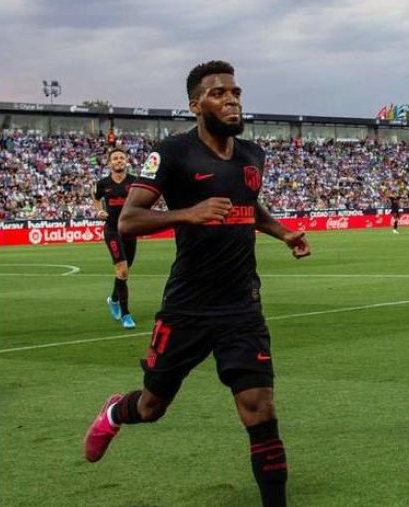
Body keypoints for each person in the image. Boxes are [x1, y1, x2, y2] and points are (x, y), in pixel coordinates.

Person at [83, 60, 311, 507]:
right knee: (152, 407)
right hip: (187, 306)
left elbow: (249, 207)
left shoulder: (253, 156)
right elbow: (127, 220)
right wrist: (188, 212)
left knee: (259, 407)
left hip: (242, 305)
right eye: (219, 93)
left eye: (236, 92)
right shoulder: (172, 153)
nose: (231, 100)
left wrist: (283, 232)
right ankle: (115, 411)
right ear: (195, 105)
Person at [92, 147, 138, 329]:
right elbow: (95, 197)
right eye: (115, 158)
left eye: (121, 158)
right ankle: (126, 315)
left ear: (126, 161)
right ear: (109, 163)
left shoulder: (134, 182)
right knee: (122, 271)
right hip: (112, 230)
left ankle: (114, 299)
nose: (118, 160)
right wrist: (99, 211)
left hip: (130, 230)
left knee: (125, 271)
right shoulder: (103, 183)